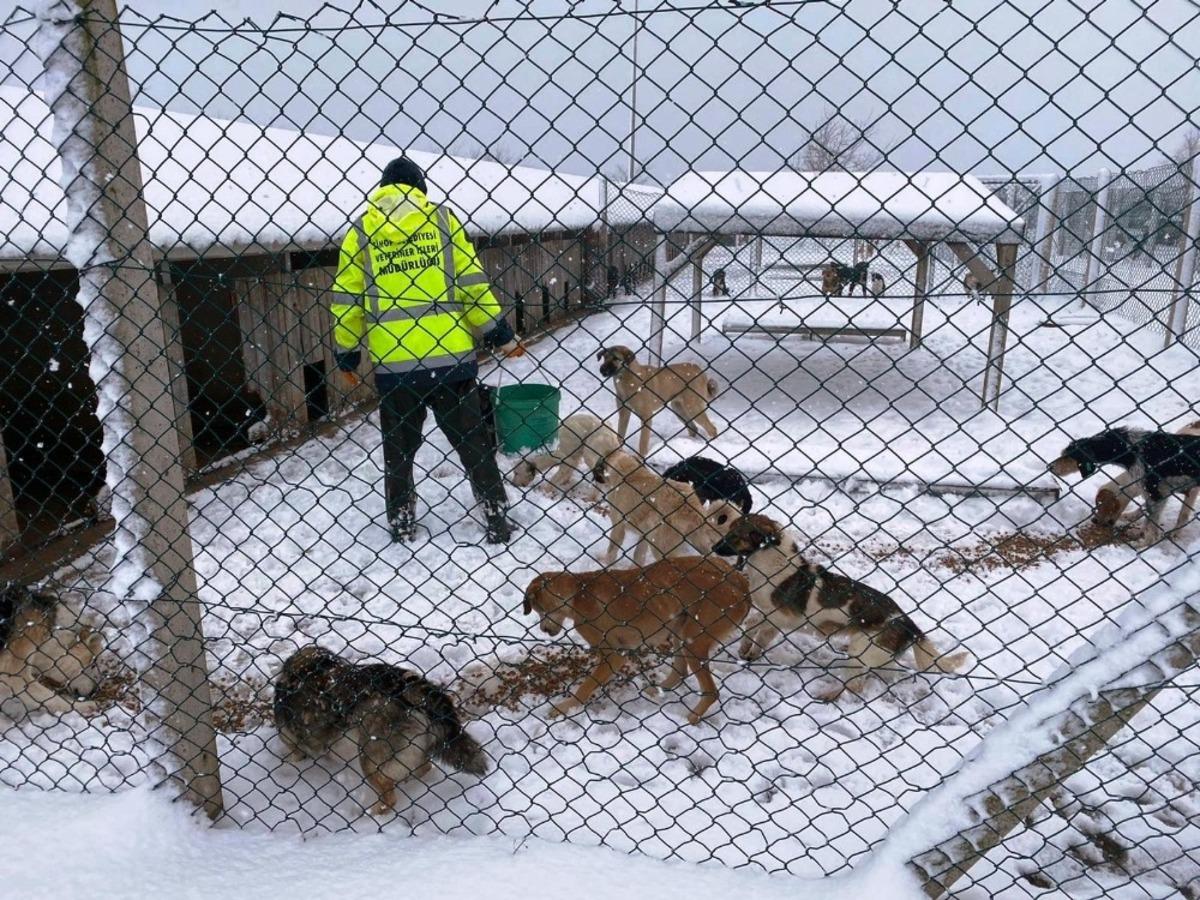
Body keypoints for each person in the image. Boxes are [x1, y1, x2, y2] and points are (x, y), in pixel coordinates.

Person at [329, 156, 524, 544]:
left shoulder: (361, 232)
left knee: (398, 452)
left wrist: (347, 355)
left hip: (395, 368)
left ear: (382, 188)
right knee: (473, 444)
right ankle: (496, 516)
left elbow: (347, 300)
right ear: (421, 189)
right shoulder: (441, 221)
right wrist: (499, 334)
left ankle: (401, 522)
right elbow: (471, 284)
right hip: (451, 364)